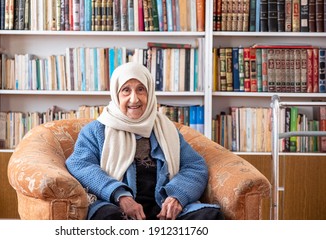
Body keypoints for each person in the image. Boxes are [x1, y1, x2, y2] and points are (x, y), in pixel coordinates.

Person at [66, 62, 224, 220]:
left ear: (150, 93)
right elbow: (79, 164)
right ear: (116, 94)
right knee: (106, 218)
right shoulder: (96, 130)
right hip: (115, 206)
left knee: (210, 216)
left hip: (163, 210)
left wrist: (177, 196)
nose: (134, 99)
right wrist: (120, 195)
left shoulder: (166, 129)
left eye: (140, 90)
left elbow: (195, 166)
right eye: (126, 90)